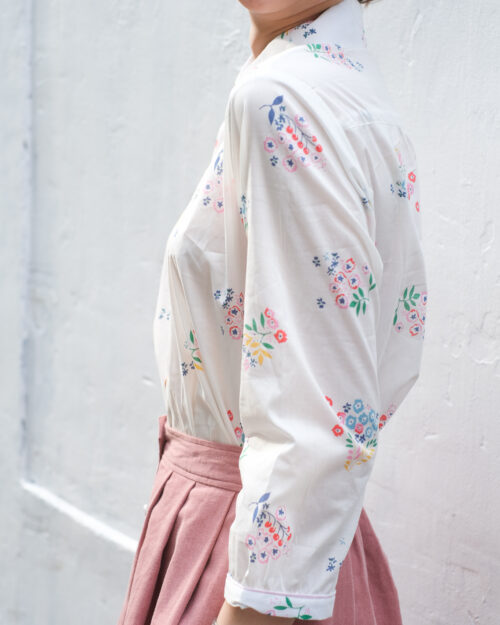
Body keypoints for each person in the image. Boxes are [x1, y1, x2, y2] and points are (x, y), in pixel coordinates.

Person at [117, 0, 428, 623]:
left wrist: (251, 611)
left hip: (244, 566)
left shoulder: (283, 98)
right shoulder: (349, 89)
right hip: (291, 551)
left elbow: (316, 411)